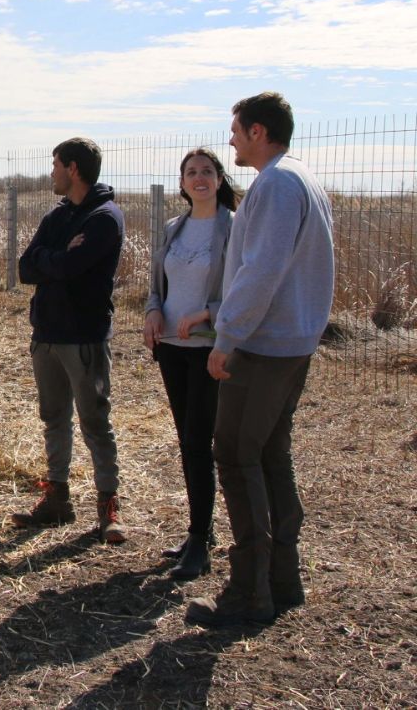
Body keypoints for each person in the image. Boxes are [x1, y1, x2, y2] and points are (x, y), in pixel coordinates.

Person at [185, 92, 334, 627]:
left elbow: (261, 270)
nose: (230, 139)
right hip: (292, 344)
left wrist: (228, 336)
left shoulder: (275, 184)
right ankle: (282, 579)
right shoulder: (303, 178)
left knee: (235, 456)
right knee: (271, 454)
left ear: (258, 131)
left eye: (236, 130)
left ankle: (248, 595)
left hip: (263, 347)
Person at [14, 137, 127, 544]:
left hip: (83, 338)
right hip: (46, 334)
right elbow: (27, 267)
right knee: (53, 418)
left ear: (73, 169)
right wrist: (55, 260)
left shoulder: (105, 218)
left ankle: (107, 508)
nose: (52, 172)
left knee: (95, 420)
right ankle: (57, 499)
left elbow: (71, 266)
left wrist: (53, 261)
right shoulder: (58, 216)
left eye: (56, 163)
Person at [144, 148, 240, 580]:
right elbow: (155, 285)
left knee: (200, 441)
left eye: (206, 171)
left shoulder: (233, 229)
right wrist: (151, 311)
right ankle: (198, 531)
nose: (198, 178)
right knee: (187, 439)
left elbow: (244, 288)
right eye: (190, 172)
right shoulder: (172, 228)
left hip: (208, 348)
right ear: (182, 182)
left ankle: (200, 539)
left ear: (220, 179)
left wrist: (207, 314)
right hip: (170, 347)